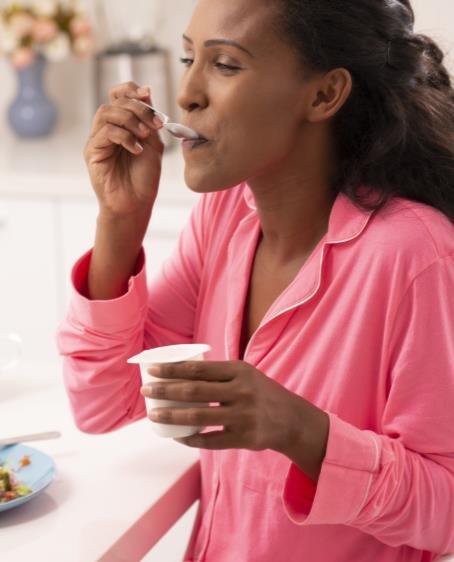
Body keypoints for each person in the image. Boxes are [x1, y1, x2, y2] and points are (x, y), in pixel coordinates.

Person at [57, 0, 454, 560]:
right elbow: (104, 403)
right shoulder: (224, 216)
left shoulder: (414, 255)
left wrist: (300, 431)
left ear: (324, 95)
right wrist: (120, 222)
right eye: (189, 58)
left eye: (225, 64)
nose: (187, 93)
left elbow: (446, 511)